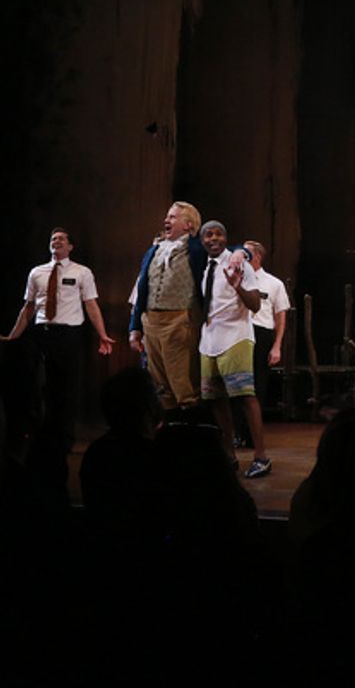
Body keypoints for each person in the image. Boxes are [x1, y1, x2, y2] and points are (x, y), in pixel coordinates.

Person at [2, 227, 116, 493]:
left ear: (71, 246)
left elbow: (91, 305)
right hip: (41, 332)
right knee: (37, 386)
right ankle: (37, 436)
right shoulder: (37, 272)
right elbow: (28, 307)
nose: (56, 242)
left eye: (62, 239)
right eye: (53, 239)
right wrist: (12, 336)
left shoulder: (81, 272)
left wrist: (102, 335)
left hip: (68, 334)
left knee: (64, 389)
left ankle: (63, 438)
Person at [130, 201, 246, 411]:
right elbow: (142, 288)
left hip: (179, 320)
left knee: (182, 382)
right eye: (167, 216)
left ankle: (189, 429)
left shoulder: (195, 247)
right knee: (159, 383)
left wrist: (241, 253)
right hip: (151, 322)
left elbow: (231, 247)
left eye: (173, 217)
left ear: (189, 225)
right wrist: (135, 327)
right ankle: (169, 430)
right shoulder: (154, 250)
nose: (167, 220)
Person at [196, 220, 271, 478]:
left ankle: (261, 456)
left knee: (244, 396)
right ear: (202, 239)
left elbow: (255, 306)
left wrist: (237, 284)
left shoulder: (240, 263)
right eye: (208, 235)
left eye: (218, 234)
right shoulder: (205, 267)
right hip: (209, 339)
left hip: (235, 336)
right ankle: (228, 455)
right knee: (215, 399)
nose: (213, 239)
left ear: (226, 239)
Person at [243, 240, 291, 410]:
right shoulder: (236, 279)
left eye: (247, 253)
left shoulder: (274, 283)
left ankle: (253, 426)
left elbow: (280, 315)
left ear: (257, 257)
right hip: (239, 332)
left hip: (261, 334)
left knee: (258, 382)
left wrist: (277, 346)